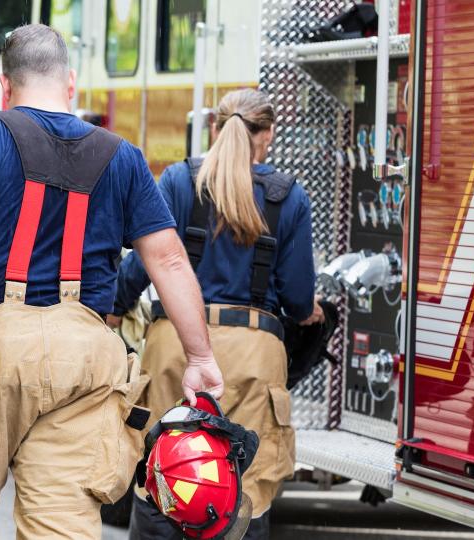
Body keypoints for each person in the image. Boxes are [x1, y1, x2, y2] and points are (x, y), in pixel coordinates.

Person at [0, 24, 223, 539]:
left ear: (4, 86)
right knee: (63, 525)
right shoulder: (124, 157)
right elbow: (170, 263)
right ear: (70, 81)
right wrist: (200, 358)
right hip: (85, 362)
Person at [110, 89, 323, 539]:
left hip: (177, 346)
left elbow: (143, 264)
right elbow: (298, 296)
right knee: (245, 485)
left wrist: (112, 311)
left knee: (164, 470)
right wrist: (311, 313)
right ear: (266, 136)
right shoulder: (289, 198)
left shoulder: (176, 181)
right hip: (254, 356)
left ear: (213, 127)